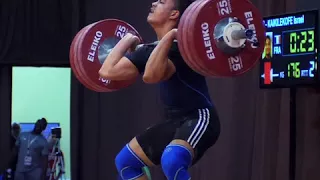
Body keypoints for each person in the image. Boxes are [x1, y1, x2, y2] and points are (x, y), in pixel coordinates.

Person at [99, 0, 221, 179]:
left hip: (200, 117)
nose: (154, 3)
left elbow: (150, 76)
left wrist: (171, 36)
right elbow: (107, 71)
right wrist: (126, 40)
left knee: (172, 160)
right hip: (174, 121)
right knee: (125, 162)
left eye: (162, 1)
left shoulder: (182, 47)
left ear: (174, 14)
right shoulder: (149, 51)